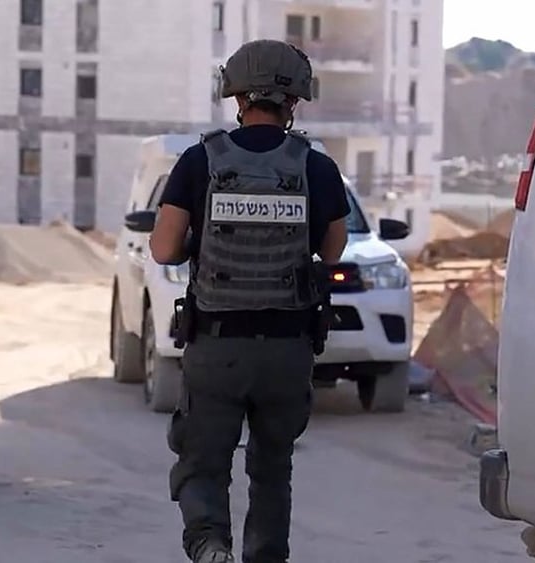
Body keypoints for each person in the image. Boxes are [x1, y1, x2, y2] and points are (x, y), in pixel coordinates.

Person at [149, 39, 351, 563]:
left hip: (217, 345)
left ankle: (210, 542)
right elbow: (331, 252)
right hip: (287, 349)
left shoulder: (200, 161)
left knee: (203, 461)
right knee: (271, 468)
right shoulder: (316, 166)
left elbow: (165, 248)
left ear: (236, 96)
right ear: (294, 100)